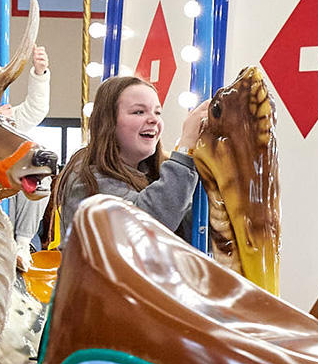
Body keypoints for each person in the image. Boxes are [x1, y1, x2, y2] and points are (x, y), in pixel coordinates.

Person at [51, 75, 209, 242]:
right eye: (139, 112)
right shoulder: (87, 180)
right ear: (108, 121)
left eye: (157, 112)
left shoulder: (150, 174)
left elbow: (186, 229)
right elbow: (145, 226)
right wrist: (185, 148)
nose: (154, 119)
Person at [1, 45, 52, 252]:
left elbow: (35, 109)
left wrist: (39, 75)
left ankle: (23, 244)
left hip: (21, 224)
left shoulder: (8, 118)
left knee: (39, 179)